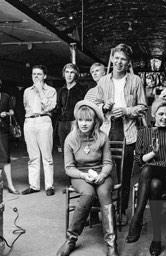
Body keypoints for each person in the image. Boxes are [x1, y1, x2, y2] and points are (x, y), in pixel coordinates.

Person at [56, 100, 119, 256]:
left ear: (95, 122)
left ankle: (112, 245)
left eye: (88, 120)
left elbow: (108, 163)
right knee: (88, 194)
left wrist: (103, 174)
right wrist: (83, 175)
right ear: (77, 120)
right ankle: (70, 240)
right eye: (81, 119)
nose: (84, 123)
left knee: (104, 193)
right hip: (80, 174)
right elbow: (69, 168)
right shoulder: (71, 139)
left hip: (101, 172)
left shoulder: (102, 137)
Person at [96, 43, 147, 225]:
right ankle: (105, 207)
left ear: (128, 62)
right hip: (107, 129)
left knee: (125, 174)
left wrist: (126, 111)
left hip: (127, 131)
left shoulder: (135, 80)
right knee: (105, 171)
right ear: (112, 59)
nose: (119, 62)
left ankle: (122, 210)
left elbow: (143, 107)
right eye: (116, 58)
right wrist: (104, 107)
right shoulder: (102, 81)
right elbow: (96, 107)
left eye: (123, 59)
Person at [126, 98, 166, 256]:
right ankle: (156, 238)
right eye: (161, 114)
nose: (165, 117)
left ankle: (137, 218)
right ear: (153, 114)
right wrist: (153, 153)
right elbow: (139, 160)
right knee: (155, 185)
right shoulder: (144, 133)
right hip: (152, 178)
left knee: (147, 172)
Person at [22, 65, 57, 196]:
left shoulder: (51, 90)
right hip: (30, 121)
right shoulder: (27, 91)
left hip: (44, 120)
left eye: (39, 74)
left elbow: (50, 107)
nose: (36, 76)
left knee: (47, 156)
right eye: (34, 74)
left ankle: (49, 186)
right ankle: (34, 186)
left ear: (45, 76)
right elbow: (26, 106)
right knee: (32, 156)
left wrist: (40, 91)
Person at [56, 63, 88, 152]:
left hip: (75, 123)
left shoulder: (81, 89)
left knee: (77, 150)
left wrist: (78, 122)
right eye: (67, 72)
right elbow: (59, 107)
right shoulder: (62, 90)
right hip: (62, 124)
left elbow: (85, 108)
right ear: (63, 74)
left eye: (72, 72)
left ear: (76, 74)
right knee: (65, 150)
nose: (69, 75)